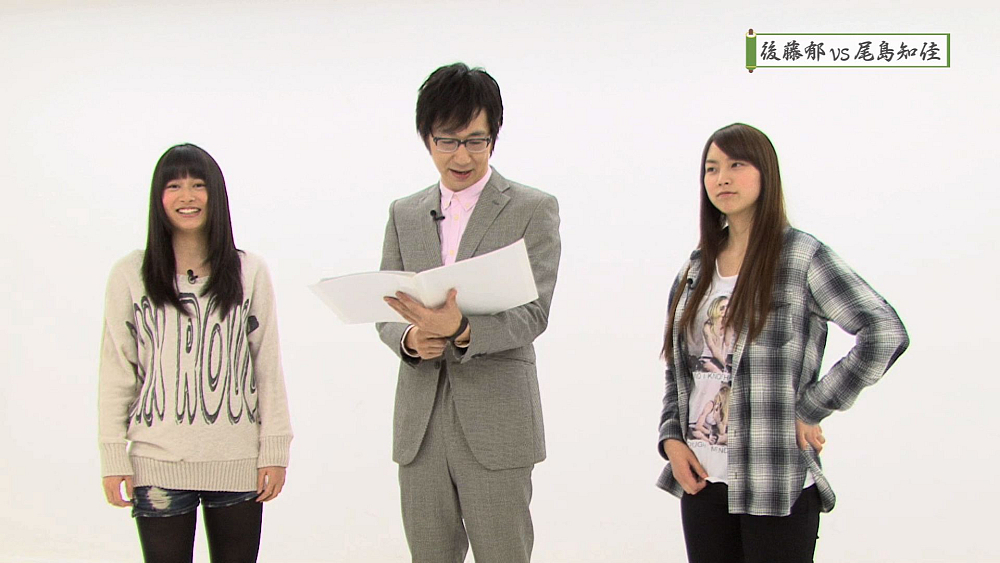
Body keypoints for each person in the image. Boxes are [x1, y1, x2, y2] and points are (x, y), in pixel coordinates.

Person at [657, 123, 908, 563]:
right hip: (702, 481)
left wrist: (812, 408)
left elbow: (884, 331)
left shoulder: (800, 257)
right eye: (712, 169)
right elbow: (679, 370)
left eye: (737, 165)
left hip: (774, 480)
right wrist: (671, 440)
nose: (722, 178)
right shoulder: (696, 268)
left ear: (765, 173)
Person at [377, 62, 561, 563]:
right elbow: (386, 309)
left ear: (494, 138)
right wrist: (409, 340)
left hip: (497, 420)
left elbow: (535, 313)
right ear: (427, 138)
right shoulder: (403, 213)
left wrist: (460, 329)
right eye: (448, 141)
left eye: (476, 141)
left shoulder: (532, 208)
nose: (462, 156)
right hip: (420, 423)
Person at [98, 143, 293, 563]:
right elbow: (117, 371)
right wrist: (113, 455)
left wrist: (275, 449)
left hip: (238, 459)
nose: (187, 196)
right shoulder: (130, 274)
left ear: (215, 194)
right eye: (174, 186)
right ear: (158, 197)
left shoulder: (249, 271)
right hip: (157, 461)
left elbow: (267, 366)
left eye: (198, 185)